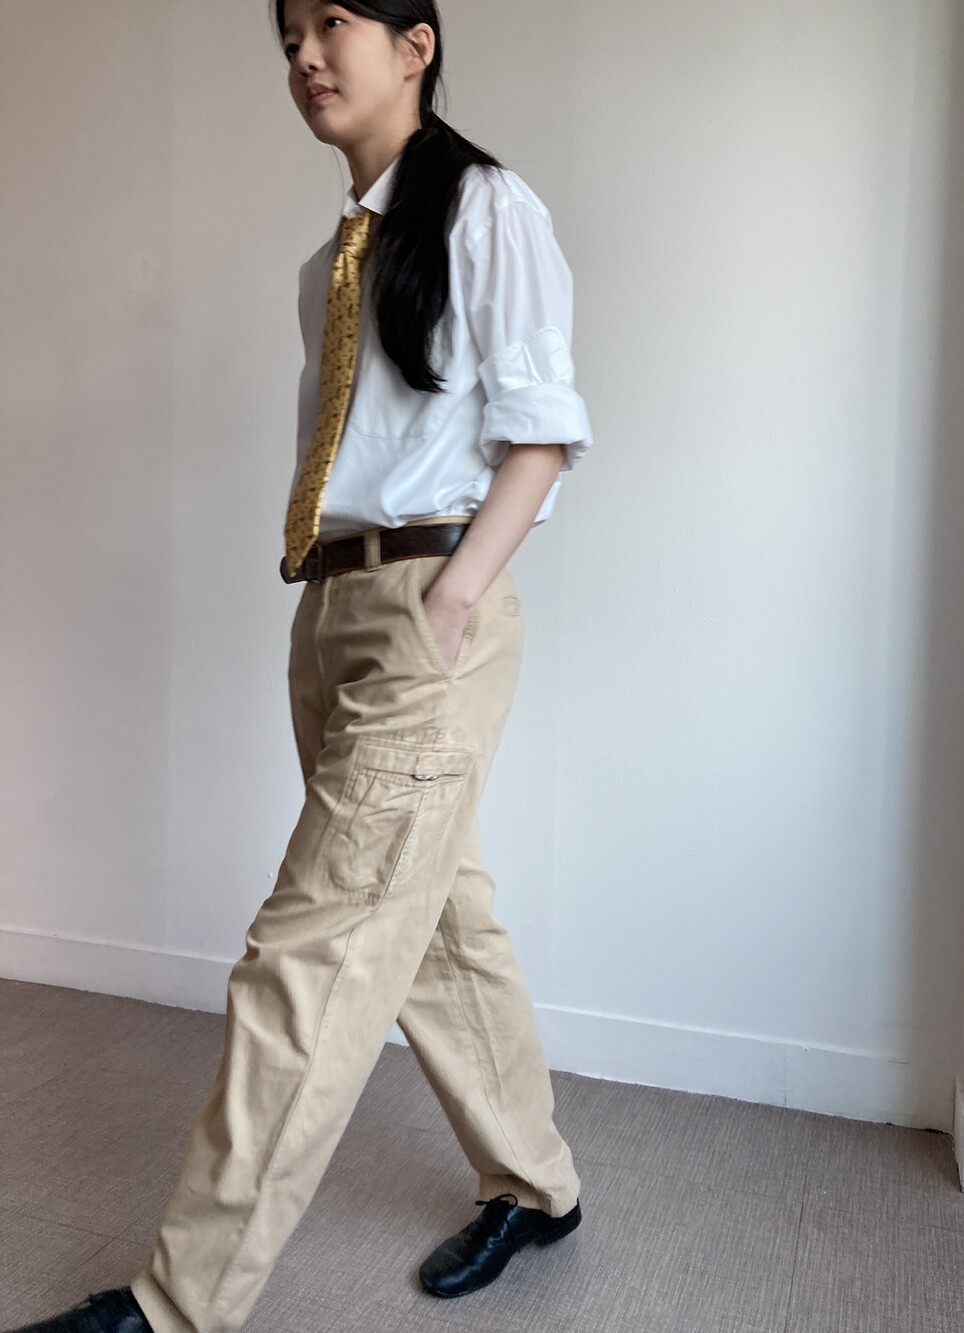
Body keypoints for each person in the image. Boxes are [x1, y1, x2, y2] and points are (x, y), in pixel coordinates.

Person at [8, 2, 594, 1330]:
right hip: (332, 605)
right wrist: (344, 604)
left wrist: (454, 597)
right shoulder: (333, 260)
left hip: (433, 604)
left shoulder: (487, 207)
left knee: (308, 954)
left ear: (416, 43)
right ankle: (538, 1183)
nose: (306, 58)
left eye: (334, 23)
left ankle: (178, 1306)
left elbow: (544, 433)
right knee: (436, 919)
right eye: (287, 40)